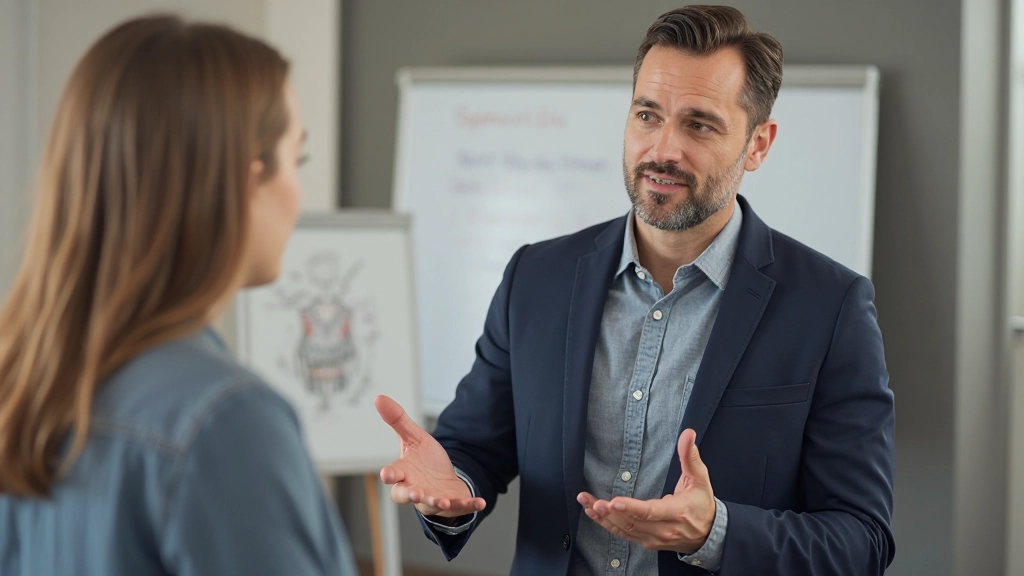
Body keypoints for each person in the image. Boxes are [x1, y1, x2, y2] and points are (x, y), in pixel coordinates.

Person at [375, 4, 895, 575]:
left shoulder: (829, 307)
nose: (663, 149)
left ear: (758, 145)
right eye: (648, 115)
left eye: (699, 124)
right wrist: (449, 487)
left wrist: (712, 531)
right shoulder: (537, 277)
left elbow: (861, 541)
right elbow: (474, 448)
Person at [0, 15, 357, 576]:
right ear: (247, 176)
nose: (299, 192)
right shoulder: (225, 422)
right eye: (297, 158)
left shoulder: (22, 384)